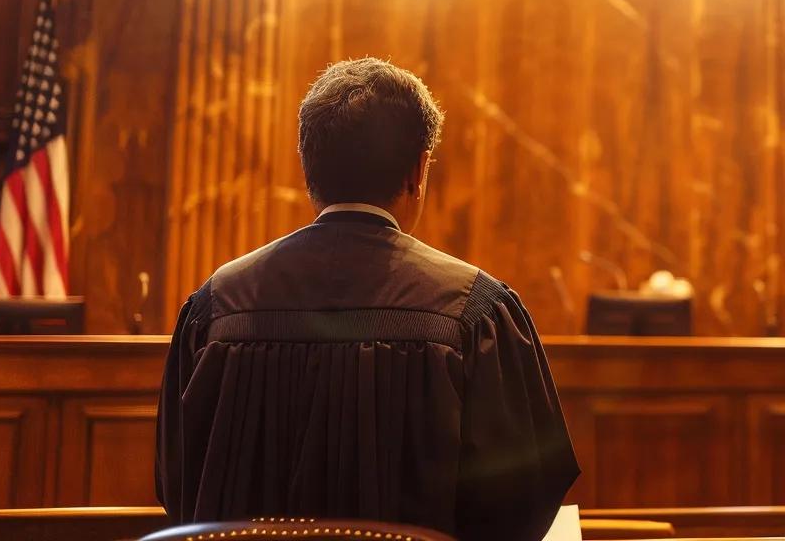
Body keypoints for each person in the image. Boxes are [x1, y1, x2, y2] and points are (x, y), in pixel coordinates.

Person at [156, 58, 578, 540]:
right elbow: (522, 505)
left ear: (309, 168)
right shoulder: (474, 312)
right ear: (418, 171)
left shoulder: (217, 308)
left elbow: (178, 485)